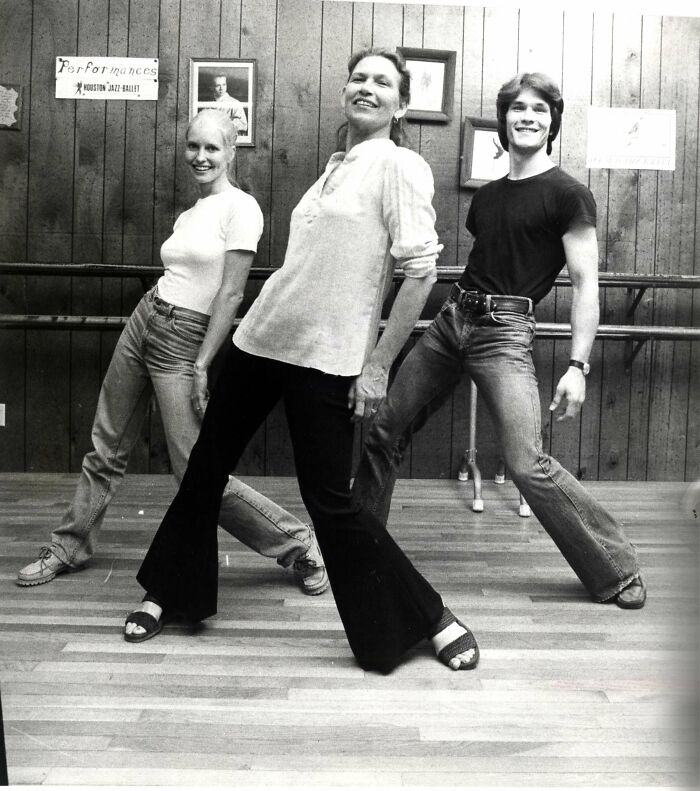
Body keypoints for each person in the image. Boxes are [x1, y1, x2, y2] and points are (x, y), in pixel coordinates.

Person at [124, 47, 479, 674]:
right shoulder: (335, 166)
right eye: (358, 77)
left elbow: (420, 274)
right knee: (204, 470)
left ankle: (431, 617)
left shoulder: (400, 165)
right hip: (260, 340)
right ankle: (169, 594)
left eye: (383, 82)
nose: (366, 87)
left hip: (327, 357)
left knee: (330, 501)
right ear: (345, 90)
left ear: (401, 105)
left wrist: (376, 365)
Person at [352, 72, 646, 610]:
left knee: (526, 461)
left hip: (504, 335)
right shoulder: (486, 198)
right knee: (384, 429)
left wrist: (577, 366)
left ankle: (617, 567)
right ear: (503, 120)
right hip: (451, 322)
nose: (527, 117)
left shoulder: (569, 195)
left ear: (552, 124)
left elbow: (586, 285)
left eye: (539, 110)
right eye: (517, 108)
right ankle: (358, 550)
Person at [17, 109, 327, 598]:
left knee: (194, 469)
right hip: (146, 318)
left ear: (231, 151)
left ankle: (297, 543)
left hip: (184, 338)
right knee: (105, 444)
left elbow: (230, 294)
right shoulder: (191, 212)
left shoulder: (242, 208)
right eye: (193, 146)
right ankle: (67, 546)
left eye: (212, 148)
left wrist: (202, 363)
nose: (200, 157)